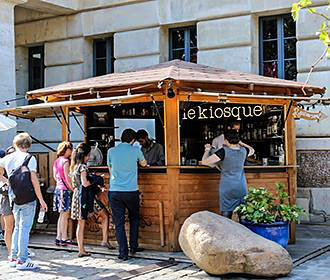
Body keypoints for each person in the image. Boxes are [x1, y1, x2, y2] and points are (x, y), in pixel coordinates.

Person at [0, 133, 48, 270]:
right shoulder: (30, 158)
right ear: (29, 145)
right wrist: (41, 200)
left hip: (14, 197)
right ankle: (22, 260)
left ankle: (13, 257)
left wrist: (6, 180)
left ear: (15, 144)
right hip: (28, 197)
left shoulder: (8, 158)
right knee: (24, 229)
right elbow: (34, 181)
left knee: (17, 228)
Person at [107, 129, 147, 260]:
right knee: (134, 218)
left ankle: (123, 253)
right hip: (131, 191)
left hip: (115, 191)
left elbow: (110, 169)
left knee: (119, 223)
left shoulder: (111, 151)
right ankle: (134, 246)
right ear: (133, 140)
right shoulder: (135, 150)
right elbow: (144, 163)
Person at [202, 130, 254, 219]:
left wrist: (207, 150)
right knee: (244, 215)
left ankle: (226, 232)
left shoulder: (223, 151)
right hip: (241, 186)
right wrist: (241, 143)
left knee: (226, 215)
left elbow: (205, 162)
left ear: (226, 140)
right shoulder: (244, 150)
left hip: (227, 187)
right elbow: (252, 150)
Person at [70, 143, 92, 257]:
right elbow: (85, 183)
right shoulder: (83, 167)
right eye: (88, 155)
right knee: (81, 222)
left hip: (76, 195)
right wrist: (93, 182)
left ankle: (81, 249)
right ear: (85, 155)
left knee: (80, 222)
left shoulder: (74, 166)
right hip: (82, 196)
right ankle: (81, 250)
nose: (89, 158)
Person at [53, 141, 73, 246]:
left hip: (58, 189)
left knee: (61, 215)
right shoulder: (66, 161)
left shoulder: (56, 161)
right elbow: (67, 177)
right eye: (70, 149)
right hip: (64, 190)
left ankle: (58, 237)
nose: (71, 151)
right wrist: (72, 188)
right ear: (67, 150)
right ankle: (64, 238)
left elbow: (55, 176)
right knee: (65, 214)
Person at [0, 147, 15, 256]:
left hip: (17, 198)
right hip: (6, 197)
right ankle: (11, 252)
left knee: (17, 227)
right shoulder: (3, 165)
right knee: (8, 227)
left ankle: (17, 249)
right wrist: (7, 182)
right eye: (10, 153)